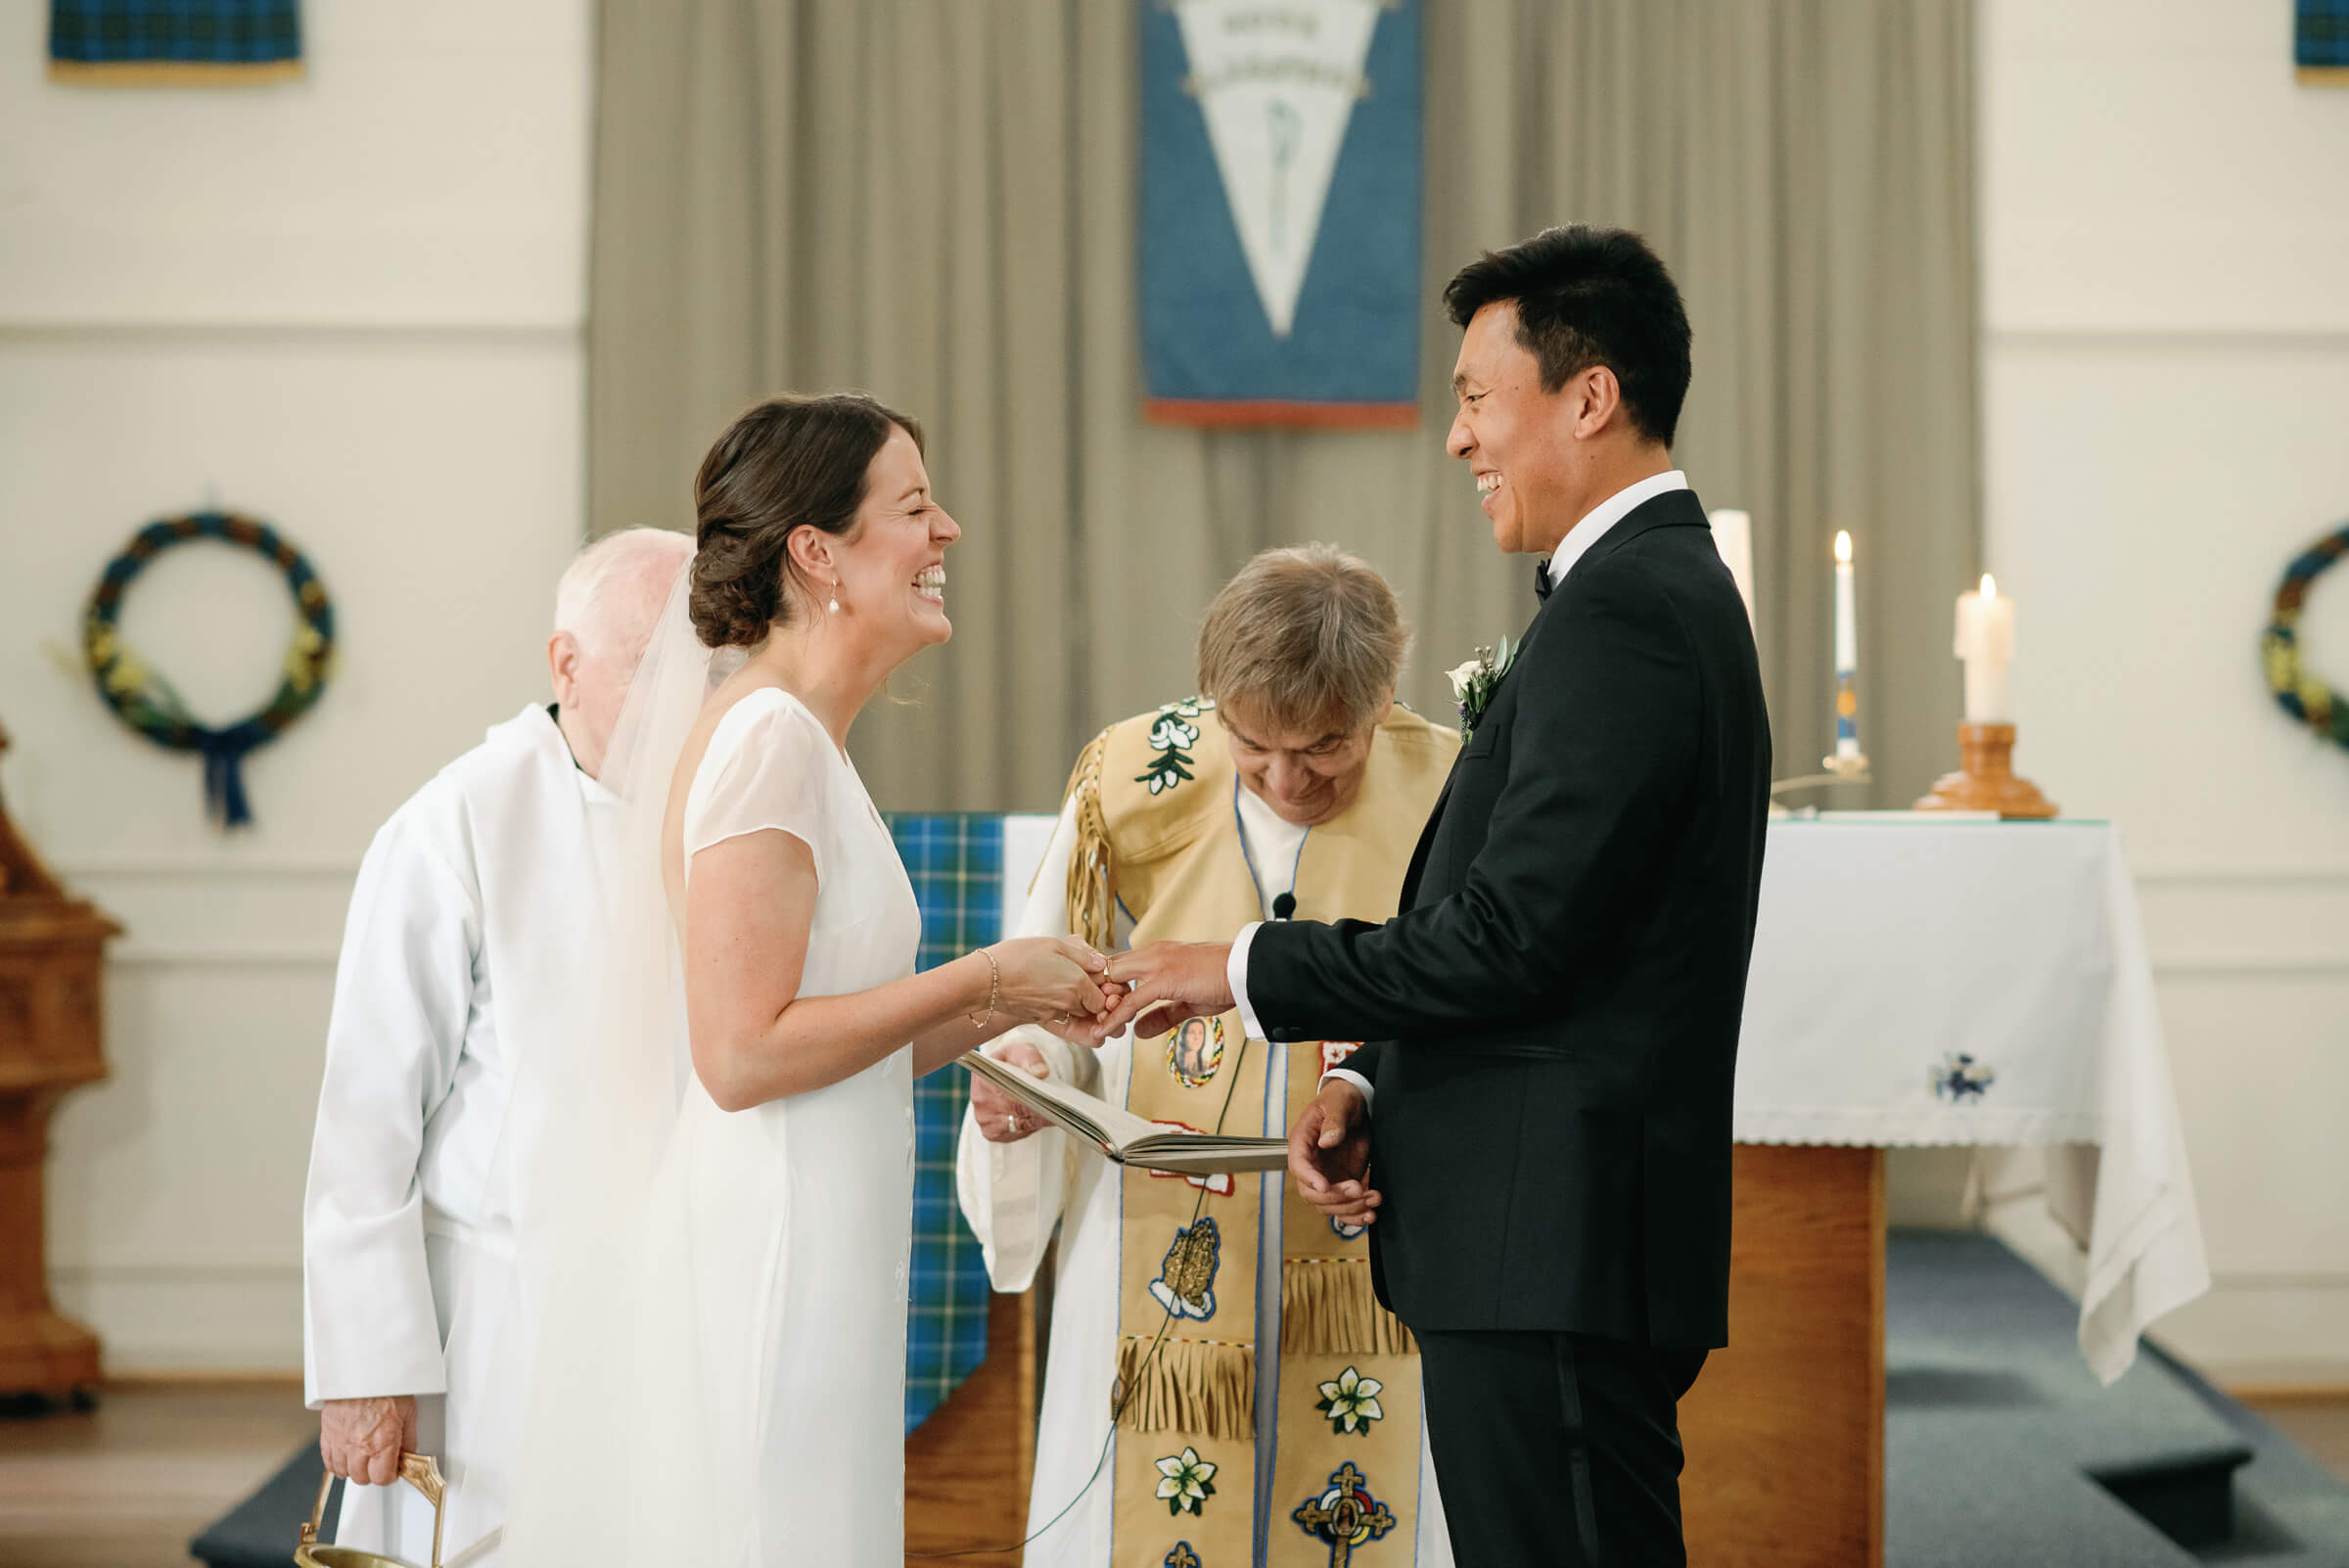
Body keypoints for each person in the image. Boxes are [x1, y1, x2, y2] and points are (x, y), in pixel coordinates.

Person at [1099, 226, 1773, 1566]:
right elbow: (1551, 935)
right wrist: (1372, 1087)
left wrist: (1234, 967)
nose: (1458, 437)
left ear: (1587, 397)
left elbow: (1511, 938)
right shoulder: (1626, 598)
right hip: (1541, 1241)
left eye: (1475, 395)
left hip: (1557, 1251)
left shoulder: (1631, 611)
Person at [494, 393, 1118, 1568]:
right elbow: (741, 1057)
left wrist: (1016, 1003)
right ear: (817, 552)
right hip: (773, 1237)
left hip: (826, 1219)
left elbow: (834, 1045)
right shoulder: (769, 736)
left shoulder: (801, 734)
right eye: (917, 507)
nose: (951, 534)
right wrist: (983, 972)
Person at [958, 545, 1458, 1568]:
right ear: (1211, 704)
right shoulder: (1129, 786)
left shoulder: (1448, 787)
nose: (1286, 780)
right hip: (1164, 1242)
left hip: (1376, 1229)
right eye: (1253, 743)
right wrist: (1036, 1082)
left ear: (1383, 702)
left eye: (1325, 749)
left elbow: (1478, 1002)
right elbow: (1050, 1001)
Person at [302, 526, 693, 1565]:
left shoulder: (727, 814)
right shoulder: (457, 823)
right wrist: (367, 1368)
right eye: (655, 663)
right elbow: (367, 1122)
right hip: (497, 1325)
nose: (686, 693)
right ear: (567, 662)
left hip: (683, 1302)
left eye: (708, 659)